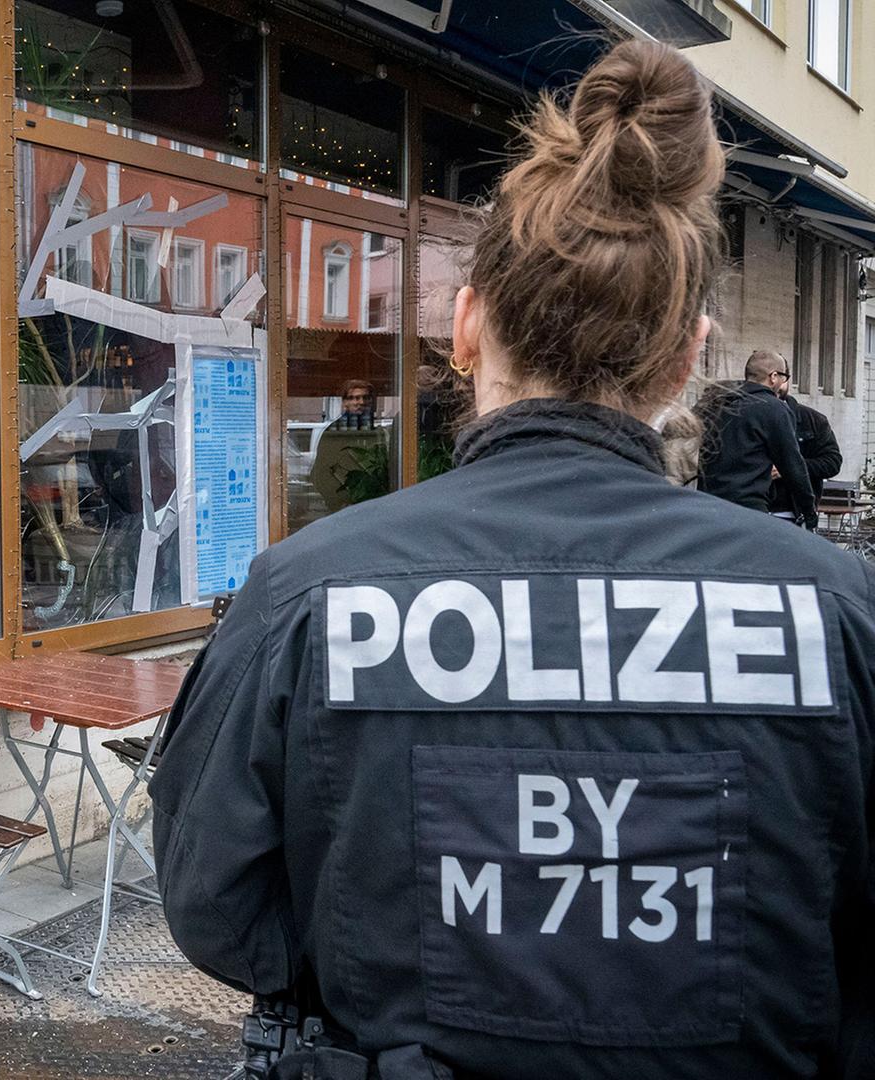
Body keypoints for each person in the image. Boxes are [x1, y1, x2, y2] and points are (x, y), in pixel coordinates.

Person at [152, 40, 875, 1079]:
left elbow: (217, 907)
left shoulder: (307, 594)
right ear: (687, 355)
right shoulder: (839, 613)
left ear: (465, 327)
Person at [697, 350, 815, 526]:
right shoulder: (773, 409)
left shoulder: (717, 402)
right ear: (773, 376)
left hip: (707, 504)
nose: (784, 382)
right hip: (748, 508)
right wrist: (808, 510)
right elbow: (792, 464)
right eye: (784, 377)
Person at [755, 350, 843, 520]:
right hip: (753, 512)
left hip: (793, 511)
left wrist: (790, 468)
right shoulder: (744, 416)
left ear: (784, 379)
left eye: (777, 380)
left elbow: (832, 463)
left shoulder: (813, 420)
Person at [310, 379, 388, 513]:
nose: (361, 402)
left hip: (376, 505)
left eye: (366, 398)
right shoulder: (334, 432)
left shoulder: (378, 433)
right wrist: (339, 503)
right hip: (345, 507)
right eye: (354, 398)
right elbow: (321, 474)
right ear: (345, 402)